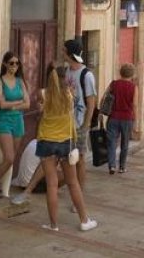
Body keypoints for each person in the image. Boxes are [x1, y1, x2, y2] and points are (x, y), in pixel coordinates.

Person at [27, 63, 97, 232]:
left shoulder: (43, 94)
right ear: (64, 79)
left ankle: (53, 225)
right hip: (65, 142)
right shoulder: (69, 95)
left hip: (46, 142)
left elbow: (40, 113)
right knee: (73, 183)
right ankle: (84, 220)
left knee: (51, 184)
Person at [0, 51, 29, 198]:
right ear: (5, 64)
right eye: (11, 63)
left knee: (12, 157)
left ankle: (4, 189)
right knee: (9, 158)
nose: (14, 66)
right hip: (3, 121)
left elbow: (28, 103)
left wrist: (13, 106)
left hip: (18, 121)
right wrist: (19, 102)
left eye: (17, 63)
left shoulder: (20, 81)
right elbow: (1, 103)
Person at [63, 39, 97, 192]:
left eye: (64, 50)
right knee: (66, 158)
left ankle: (79, 193)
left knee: (80, 159)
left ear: (70, 53)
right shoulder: (67, 71)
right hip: (66, 123)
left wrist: (86, 125)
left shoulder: (86, 75)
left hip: (79, 124)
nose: (61, 52)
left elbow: (91, 102)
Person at [104, 63, 137, 175]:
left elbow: (105, 97)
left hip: (113, 117)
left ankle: (112, 165)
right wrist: (135, 118)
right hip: (127, 118)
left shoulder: (113, 84)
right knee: (125, 143)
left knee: (112, 142)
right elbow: (134, 104)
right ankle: (122, 167)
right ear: (132, 74)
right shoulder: (133, 87)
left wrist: (101, 112)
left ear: (120, 72)